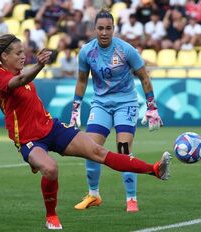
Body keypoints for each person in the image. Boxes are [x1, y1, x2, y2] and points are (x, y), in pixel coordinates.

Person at [0, 33, 171, 230]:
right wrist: (38, 65)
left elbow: (23, 84)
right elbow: (19, 83)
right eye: (19, 53)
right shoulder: (1, 78)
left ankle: (155, 170)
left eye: (24, 52)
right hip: (30, 140)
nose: (23, 56)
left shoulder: (19, 71)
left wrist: (35, 66)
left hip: (52, 128)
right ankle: (51, 216)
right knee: (51, 168)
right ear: (4, 56)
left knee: (97, 151)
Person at [69, 9, 164, 213]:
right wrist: (75, 109)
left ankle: (131, 199)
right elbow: (82, 80)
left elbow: (144, 77)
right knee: (90, 149)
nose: (104, 32)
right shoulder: (86, 52)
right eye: (100, 28)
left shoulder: (126, 50)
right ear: (94, 29)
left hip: (126, 103)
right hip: (101, 103)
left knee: (123, 150)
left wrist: (152, 106)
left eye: (108, 28)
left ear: (114, 29)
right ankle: (93, 195)